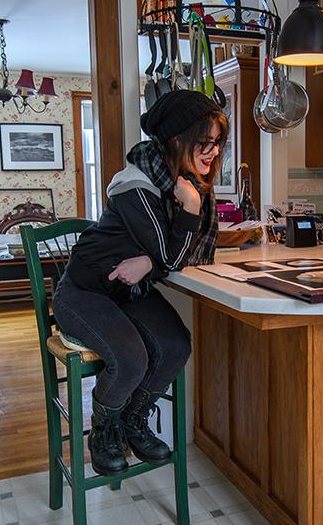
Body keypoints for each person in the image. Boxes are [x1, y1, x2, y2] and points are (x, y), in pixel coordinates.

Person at [51, 90, 227, 477]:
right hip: (84, 292)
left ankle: (132, 420)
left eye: (217, 143)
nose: (213, 152)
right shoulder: (135, 184)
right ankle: (103, 430)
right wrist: (188, 215)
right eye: (205, 142)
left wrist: (149, 261)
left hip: (129, 290)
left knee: (176, 346)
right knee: (131, 359)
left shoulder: (183, 185)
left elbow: (187, 253)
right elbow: (175, 256)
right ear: (177, 139)